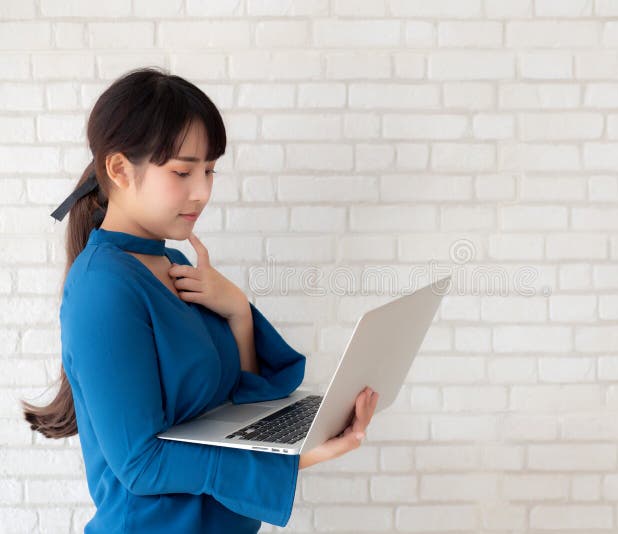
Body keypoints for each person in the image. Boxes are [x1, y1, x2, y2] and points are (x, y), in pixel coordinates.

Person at [20, 66, 378, 533]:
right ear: (119, 169)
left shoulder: (175, 266)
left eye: (209, 170)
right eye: (183, 172)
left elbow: (235, 407)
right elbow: (142, 464)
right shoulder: (102, 290)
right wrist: (300, 458)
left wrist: (238, 313)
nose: (203, 191)